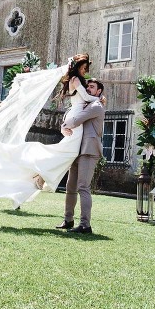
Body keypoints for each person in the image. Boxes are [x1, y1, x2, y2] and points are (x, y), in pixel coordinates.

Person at [0, 53, 100, 208]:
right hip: (75, 119)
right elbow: (85, 97)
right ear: (78, 66)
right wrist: (99, 98)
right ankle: (41, 174)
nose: (85, 71)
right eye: (84, 68)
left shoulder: (74, 80)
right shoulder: (75, 79)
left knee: (67, 152)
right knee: (68, 152)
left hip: (75, 117)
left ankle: (41, 175)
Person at [57, 77, 105, 234]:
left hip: (89, 151)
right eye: (88, 86)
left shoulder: (96, 106)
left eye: (92, 87)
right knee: (70, 187)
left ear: (98, 91)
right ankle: (68, 220)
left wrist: (64, 127)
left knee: (83, 187)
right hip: (77, 149)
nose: (89, 89)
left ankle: (85, 225)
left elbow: (77, 119)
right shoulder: (87, 104)